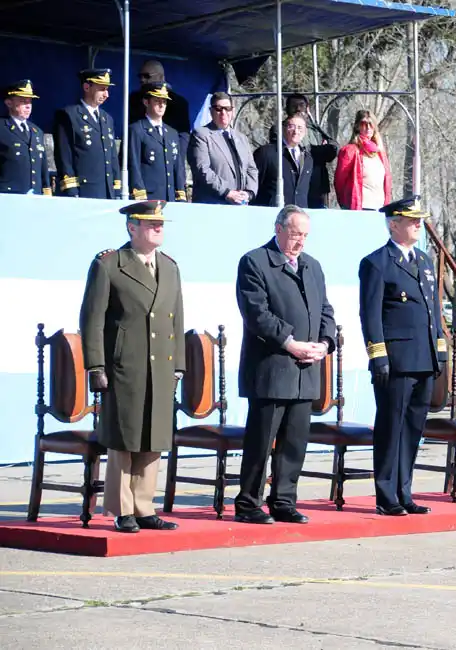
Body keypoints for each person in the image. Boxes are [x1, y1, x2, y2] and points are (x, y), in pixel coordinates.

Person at [78, 200, 184, 533]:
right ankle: (122, 508)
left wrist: (178, 365)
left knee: (153, 438)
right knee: (123, 438)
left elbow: (177, 319)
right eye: (151, 224)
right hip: (125, 365)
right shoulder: (110, 264)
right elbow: (92, 319)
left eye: (161, 224)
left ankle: (143, 506)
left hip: (161, 365)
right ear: (132, 227)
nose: (158, 228)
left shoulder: (170, 267)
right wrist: (96, 365)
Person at [234, 205, 337, 525]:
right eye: (295, 234)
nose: (300, 242)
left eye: (305, 235)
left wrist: (325, 343)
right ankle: (249, 502)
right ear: (278, 229)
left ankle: (283, 500)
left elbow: (325, 311)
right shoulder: (255, 262)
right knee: (261, 441)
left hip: (306, 369)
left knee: (294, 442)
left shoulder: (313, 266)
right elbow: (257, 313)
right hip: (272, 367)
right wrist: (289, 342)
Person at [359, 197, 446, 516]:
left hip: (424, 357)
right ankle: (386, 494)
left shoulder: (423, 260)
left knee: (413, 428)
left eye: (419, 220)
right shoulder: (377, 263)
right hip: (396, 360)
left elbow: (433, 311)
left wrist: (440, 348)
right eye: (411, 220)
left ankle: (404, 491)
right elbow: (370, 314)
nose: (418, 225)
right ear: (393, 223)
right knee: (391, 426)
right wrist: (378, 355)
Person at [54, 68, 121, 198]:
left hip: (107, 191)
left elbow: (112, 157)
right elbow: (64, 157)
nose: (106, 94)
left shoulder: (107, 119)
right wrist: (71, 191)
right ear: (86, 87)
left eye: (107, 89)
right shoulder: (69, 115)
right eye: (102, 89)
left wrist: (116, 189)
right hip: (84, 191)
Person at [269, 94, 339, 208]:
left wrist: (315, 150)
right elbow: (291, 150)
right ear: (287, 109)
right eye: (294, 106)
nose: (298, 109)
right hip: (294, 186)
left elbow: (333, 149)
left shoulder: (314, 130)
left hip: (318, 186)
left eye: (301, 105)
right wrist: (319, 150)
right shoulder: (279, 129)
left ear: (307, 108)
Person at [188, 91, 258, 205]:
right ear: (211, 111)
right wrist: (227, 192)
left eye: (227, 109)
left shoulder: (242, 138)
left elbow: (251, 169)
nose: (223, 113)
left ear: (233, 111)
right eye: (218, 109)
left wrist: (249, 192)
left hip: (241, 205)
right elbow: (202, 170)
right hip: (212, 205)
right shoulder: (201, 135)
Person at [128, 82, 186, 202]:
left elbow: (178, 166)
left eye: (164, 101)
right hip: (149, 197)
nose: (161, 105)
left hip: (169, 197)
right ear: (146, 102)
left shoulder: (172, 133)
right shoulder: (137, 130)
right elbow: (133, 163)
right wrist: (138, 193)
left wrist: (180, 193)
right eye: (157, 101)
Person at [0, 79, 51, 195]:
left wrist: (47, 191)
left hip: (35, 196)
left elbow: (43, 168)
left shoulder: (37, 131)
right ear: (9, 103)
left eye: (30, 102)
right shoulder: (2, 128)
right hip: (8, 196)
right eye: (23, 101)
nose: (28, 106)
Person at [334, 109, 392, 210]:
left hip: (380, 208)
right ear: (357, 126)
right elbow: (340, 182)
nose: (368, 128)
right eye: (364, 124)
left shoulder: (380, 152)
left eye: (371, 124)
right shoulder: (349, 151)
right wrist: (346, 205)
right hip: (360, 208)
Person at [130, 60, 192, 152]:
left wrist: (178, 159)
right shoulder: (134, 99)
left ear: (161, 77)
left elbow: (183, 135)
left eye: (147, 76)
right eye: (140, 76)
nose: (142, 79)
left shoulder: (178, 103)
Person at [253, 114, 313, 207]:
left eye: (300, 128)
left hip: (298, 215)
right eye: (291, 127)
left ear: (305, 132)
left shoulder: (307, 158)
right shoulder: (267, 153)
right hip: (271, 213)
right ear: (283, 129)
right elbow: (254, 182)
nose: (296, 131)